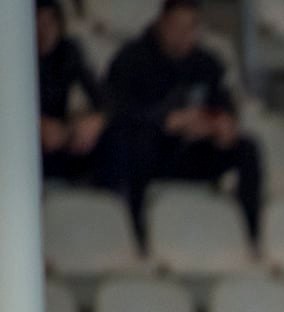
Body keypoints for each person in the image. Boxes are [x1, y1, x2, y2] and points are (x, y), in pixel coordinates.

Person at [101, 0, 263, 241]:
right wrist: (166, 122)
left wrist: (218, 125)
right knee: (135, 144)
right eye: (178, 27)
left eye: (191, 27)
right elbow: (116, 111)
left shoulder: (207, 64)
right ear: (162, 24)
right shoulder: (131, 59)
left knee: (247, 149)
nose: (184, 34)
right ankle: (136, 237)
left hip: (194, 151)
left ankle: (251, 236)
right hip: (150, 152)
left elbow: (223, 106)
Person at [37, 0, 109, 184]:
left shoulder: (68, 52)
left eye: (49, 23)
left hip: (59, 133)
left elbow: (101, 97)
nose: (44, 31)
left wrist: (94, 120)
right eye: (38, 23)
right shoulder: (10, 56)